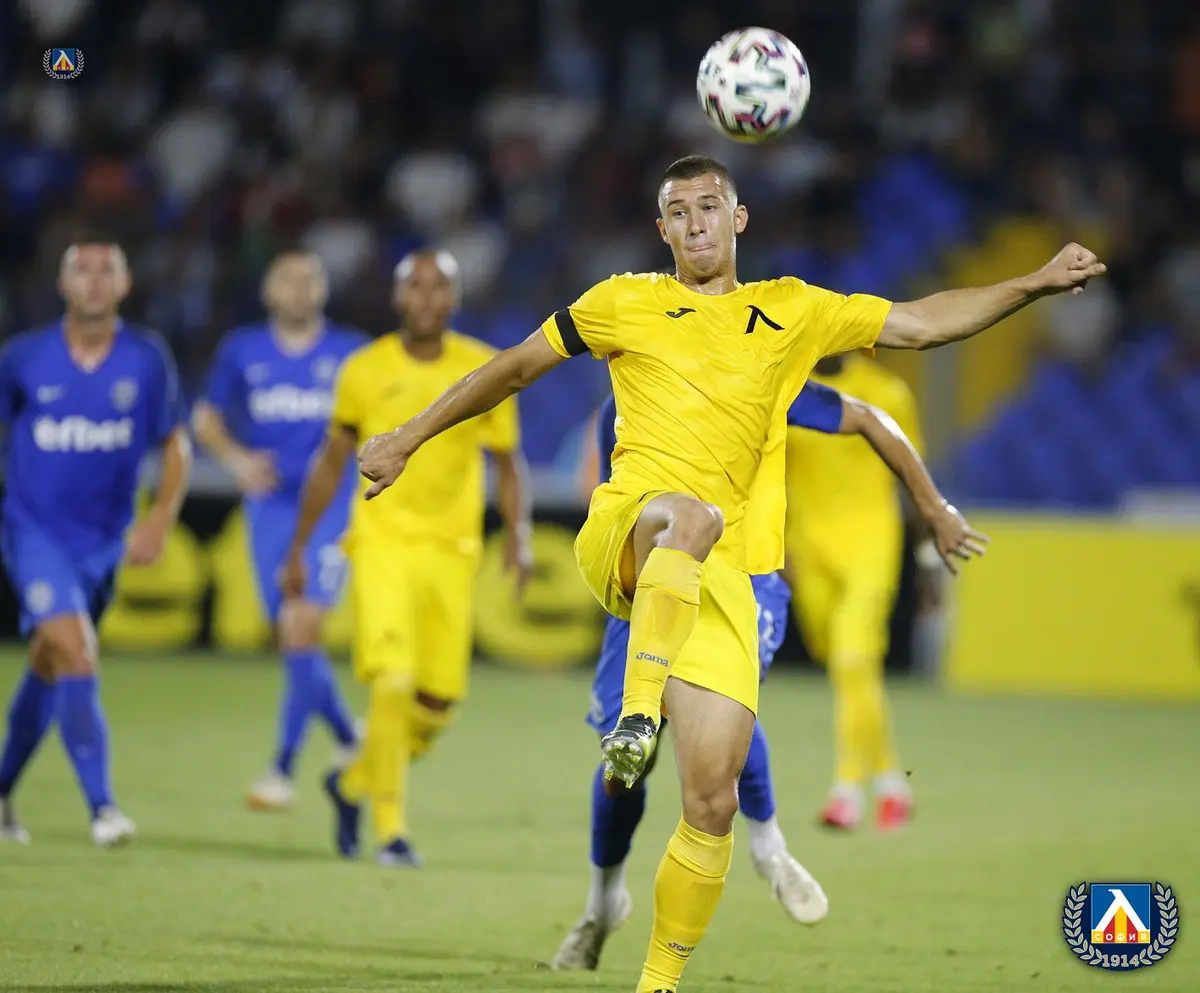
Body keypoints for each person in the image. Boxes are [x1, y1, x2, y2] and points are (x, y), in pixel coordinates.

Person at [354, 155, 1106, 991]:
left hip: (725, 583)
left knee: (711, 800)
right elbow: (512, 367)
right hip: (632, 529)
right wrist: (406, 437)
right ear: (662, 229)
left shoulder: (790, 311)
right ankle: (638, 719)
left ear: (738, 218)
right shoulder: (621, 301)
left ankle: (659, 978)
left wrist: (1033, 283)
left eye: (710, 206)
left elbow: (923, 324)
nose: (696, 222)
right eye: (679, 211)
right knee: (692, 517)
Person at [551, 382, 984, 970]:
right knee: (626, 764)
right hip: (654, 590)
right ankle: (604, 903)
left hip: (745, 580)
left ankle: (768, 846)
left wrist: (933, 507)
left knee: (725, 709)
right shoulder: (627, 400)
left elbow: (865, 416)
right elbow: (611, 508)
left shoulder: (762, 373)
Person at [283, 250, 533, 867]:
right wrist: (299, 545)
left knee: (437, 705)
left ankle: (351, 784)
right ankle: (390, 831)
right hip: (382, 542)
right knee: (392, 682)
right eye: (414, 287)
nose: (425, 297)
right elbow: (331, 461)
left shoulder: (484, 367)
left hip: (453, 550)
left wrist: (520, 534)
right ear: (397, 298)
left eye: (437, 287)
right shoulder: (363, 369)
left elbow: (507, 462)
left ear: (454, 298)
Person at [0, 235, 191, 847]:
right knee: (78, 652)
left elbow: (175, 444)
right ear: (62, 284)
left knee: (50, 663)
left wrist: (160, 518)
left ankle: (2, 792)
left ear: (125, 283)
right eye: (81, 270)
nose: (93, 279)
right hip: (34, 534)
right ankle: (103, 810)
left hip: (104, 544)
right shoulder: (23, 357)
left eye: (106, 269)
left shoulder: (146, 358)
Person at [193, 251, 366, 810]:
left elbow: (385, 416)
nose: (298, 289)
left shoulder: (351, 351)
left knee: (300, 624)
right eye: (287, 280)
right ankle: (349, 735)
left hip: (332, 507)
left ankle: (281, 769)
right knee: (292, 636)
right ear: (269, 290)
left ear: (323, 290)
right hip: (269, 508)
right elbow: (206, 418)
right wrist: (237, 460)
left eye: (309, 279)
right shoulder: (242, 349)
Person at [784, 351, 935, 831]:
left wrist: (927, 560)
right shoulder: (786, 388)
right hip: (807, 550)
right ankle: (892, 783)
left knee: (852, 661)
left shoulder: (887, 393)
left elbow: (911, 474)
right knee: (849, 669)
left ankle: (846, 790)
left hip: (872, 546)